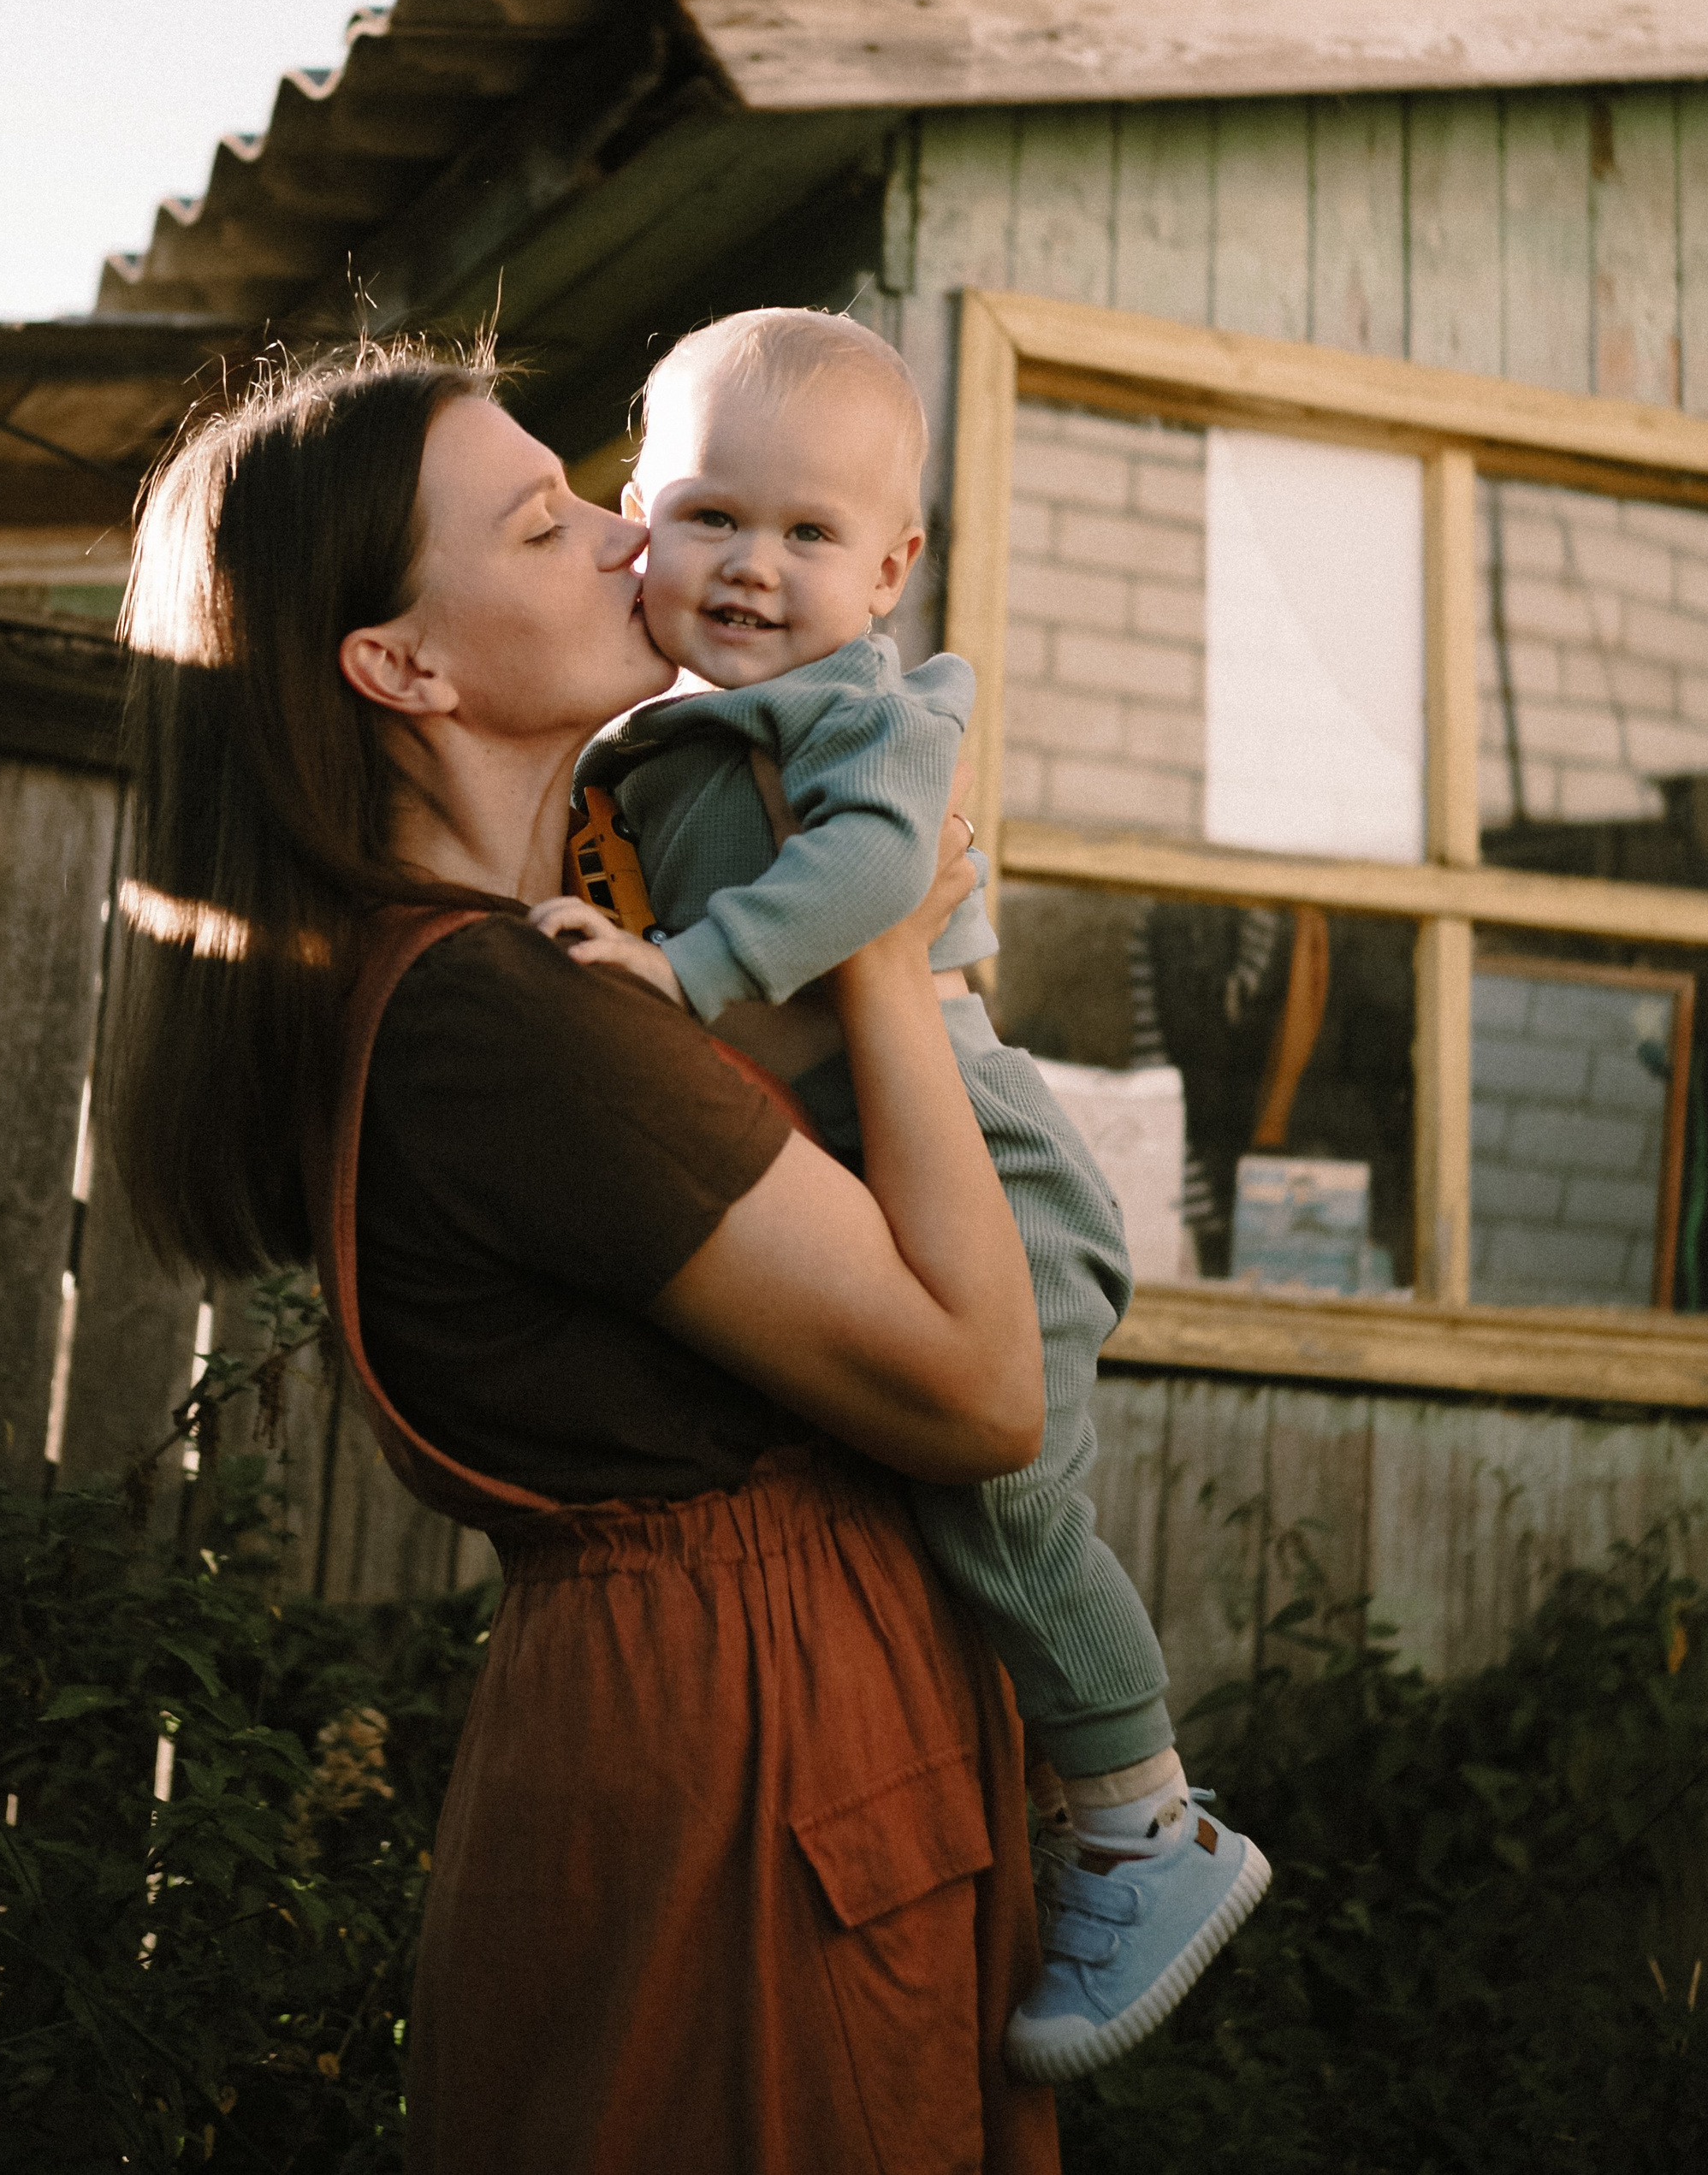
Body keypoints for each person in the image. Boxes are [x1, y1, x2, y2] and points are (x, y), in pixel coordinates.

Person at [105, 341, 1061, 2175]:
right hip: (745, 1786)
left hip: (720, 1754)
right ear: (402, 666)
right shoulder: (510, 1022)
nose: (640, 538)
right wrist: (878, 941)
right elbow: (981, 1385)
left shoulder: (551, 945)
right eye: (547, 524)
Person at [543, 308, 1271, 2084]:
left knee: (1002, 1506)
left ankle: (1144, 1823)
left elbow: (874, 872)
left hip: (987, 1167)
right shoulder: (660, 732)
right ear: (634, 509)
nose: (747, 568)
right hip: (870, 1157)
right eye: (709, 515)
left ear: (892, 564)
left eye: (806, 537)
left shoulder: (869, 704)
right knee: (932, 1522)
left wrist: (689, 972)